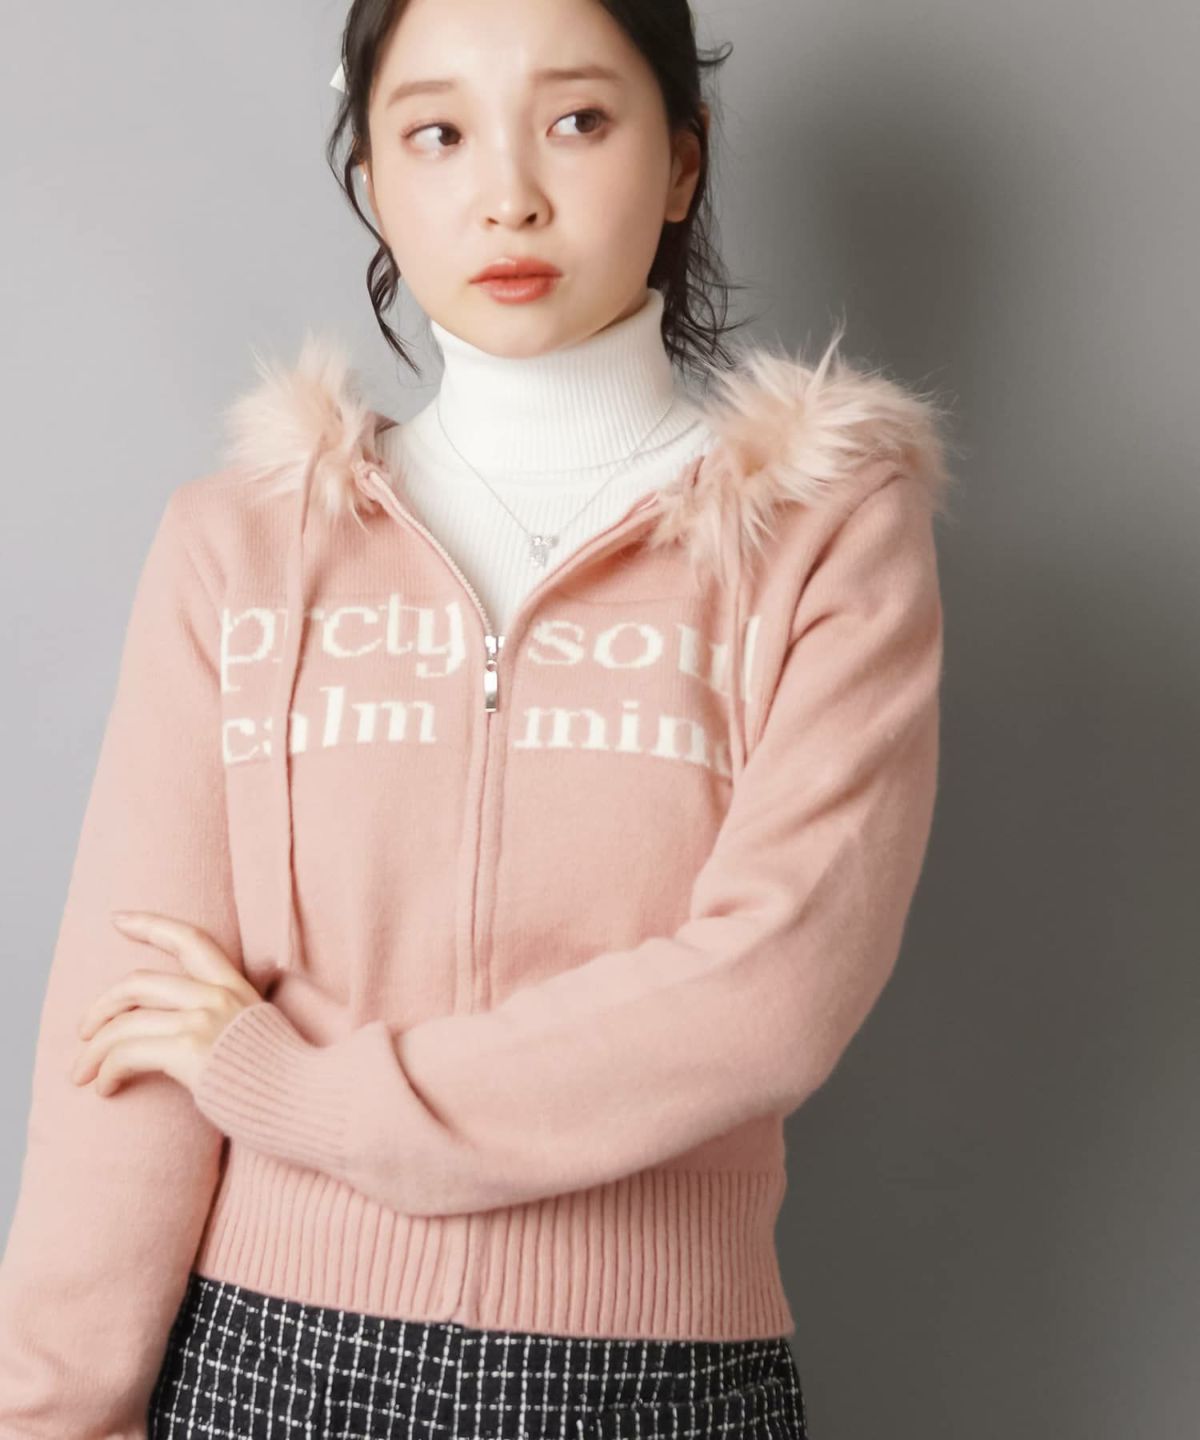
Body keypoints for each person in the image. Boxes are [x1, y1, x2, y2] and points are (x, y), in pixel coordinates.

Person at [0, 0, 956, 1435]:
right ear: (375, 181)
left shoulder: (824, 540)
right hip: (266, 1366)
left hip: (661, 1383)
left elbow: (771, 992)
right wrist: (49, 1415)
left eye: (577, 119)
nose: (508, 192)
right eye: (438, 133)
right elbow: (131, 1026)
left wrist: (305, 1096)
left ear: (682, 163)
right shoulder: (242, 547)